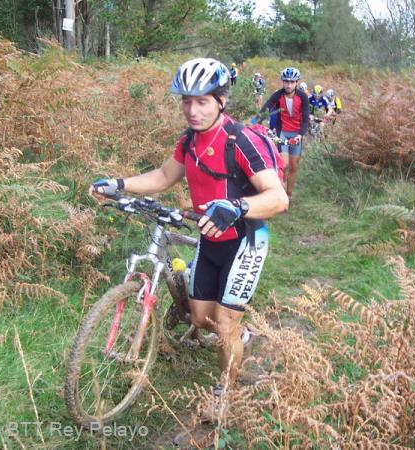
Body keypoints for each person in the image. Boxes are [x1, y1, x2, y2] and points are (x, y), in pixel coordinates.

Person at [89, 58, 288, 408]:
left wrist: (237, 206)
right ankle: (240, 335)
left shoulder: (241, 140)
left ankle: (224, 393)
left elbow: (278, 198)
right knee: (199, 319)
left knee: (223, 324)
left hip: (246, 242)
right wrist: (119, 184)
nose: (192, 111)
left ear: (221, 101)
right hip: (210, 239)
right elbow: (165, 176)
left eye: (202, 101)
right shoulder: (189, 140)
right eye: (186, 101)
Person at [259, 67, 310, 203]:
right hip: (282, 133)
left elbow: (306, 118)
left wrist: (300, 135)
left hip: (296, 134)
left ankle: (289, 194)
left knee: (294, 166)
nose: (289, 85)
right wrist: (255, 122)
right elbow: (265, 108)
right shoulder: (278, 95)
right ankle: (280, 192)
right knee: (284, 164)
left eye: (292, 82)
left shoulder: (303, 97)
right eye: (286, 81)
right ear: (283, 82)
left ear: (297, 82)